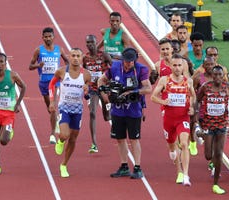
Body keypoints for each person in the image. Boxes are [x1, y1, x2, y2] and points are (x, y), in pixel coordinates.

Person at [98, 47, 152, 179]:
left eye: (131, 61)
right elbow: (101, 81)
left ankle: (137, 167)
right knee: (120, 139)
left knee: (134, 139)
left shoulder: (141, 69)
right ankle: (124, 166)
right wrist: (104, 95)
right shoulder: (115, 67)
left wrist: (133, 92)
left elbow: (148, 88)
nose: (129, 63)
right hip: (117, 110)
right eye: (127, 61)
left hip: (133, 111)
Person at [151, 53, 196, 186]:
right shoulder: (165, 80)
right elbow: (153, 97)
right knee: (172, 145)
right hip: (169, 120)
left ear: (183, 67)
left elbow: (193, 96)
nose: (177, 68)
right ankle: (172, 151)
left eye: (179, 65)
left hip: (183, 118)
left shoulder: (188, 81)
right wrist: (163, 101)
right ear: (171, 66)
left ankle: (185, 175)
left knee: (183, 144)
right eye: (174, 65)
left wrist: (192, 108)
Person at [196, 65, 229, 194]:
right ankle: (202, 136)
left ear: (223, 76)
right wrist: (197, 115)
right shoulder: (205, 87)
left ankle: (215, 184)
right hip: (208, 125)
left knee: (219, 155)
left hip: (222, 125)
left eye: (220, 75)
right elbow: (197, 101)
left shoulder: (228, 88)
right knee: (208, 155)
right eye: (215, 75)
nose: (218, 77)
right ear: (212, 75)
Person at [49, 48, 91, 178]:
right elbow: (51, 85)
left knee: (73, 139)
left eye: (78, 56)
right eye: (73, 55)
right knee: (65, 134)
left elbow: (87, 94)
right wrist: (52, 102)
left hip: (77, 109)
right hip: (64, 107)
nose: (75, 58)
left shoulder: (86, 74)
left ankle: (64, 165)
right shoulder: (61, 71)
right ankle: (60, 140)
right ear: (69, 56)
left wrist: (87, 91)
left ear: (82, 57)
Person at [29, 27, 68, 144]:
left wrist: (67, 71)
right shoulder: (38, 50)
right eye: (45, 37)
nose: (48, 39)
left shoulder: (59, 50)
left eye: (50, 36)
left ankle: (52, 134)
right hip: (43, 83)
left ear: (53, 37)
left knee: (52, 106)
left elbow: (67, 61)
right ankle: (55, 120)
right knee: (49, 107)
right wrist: (38, 66)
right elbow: (30, 66)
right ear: (42, 38)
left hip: (54, 82)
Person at [82, 34, 112, 153]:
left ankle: (111, 114)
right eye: (88, 43)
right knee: (92, 113)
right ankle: (94, 143)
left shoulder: (103, 55)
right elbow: (84, 72)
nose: (90, 45)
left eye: (92, 42)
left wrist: (109, 80)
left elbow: (113, 68)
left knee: (107, 116)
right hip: (93, 89)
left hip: (104, 88)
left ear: (96, 43)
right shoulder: (85, 58)